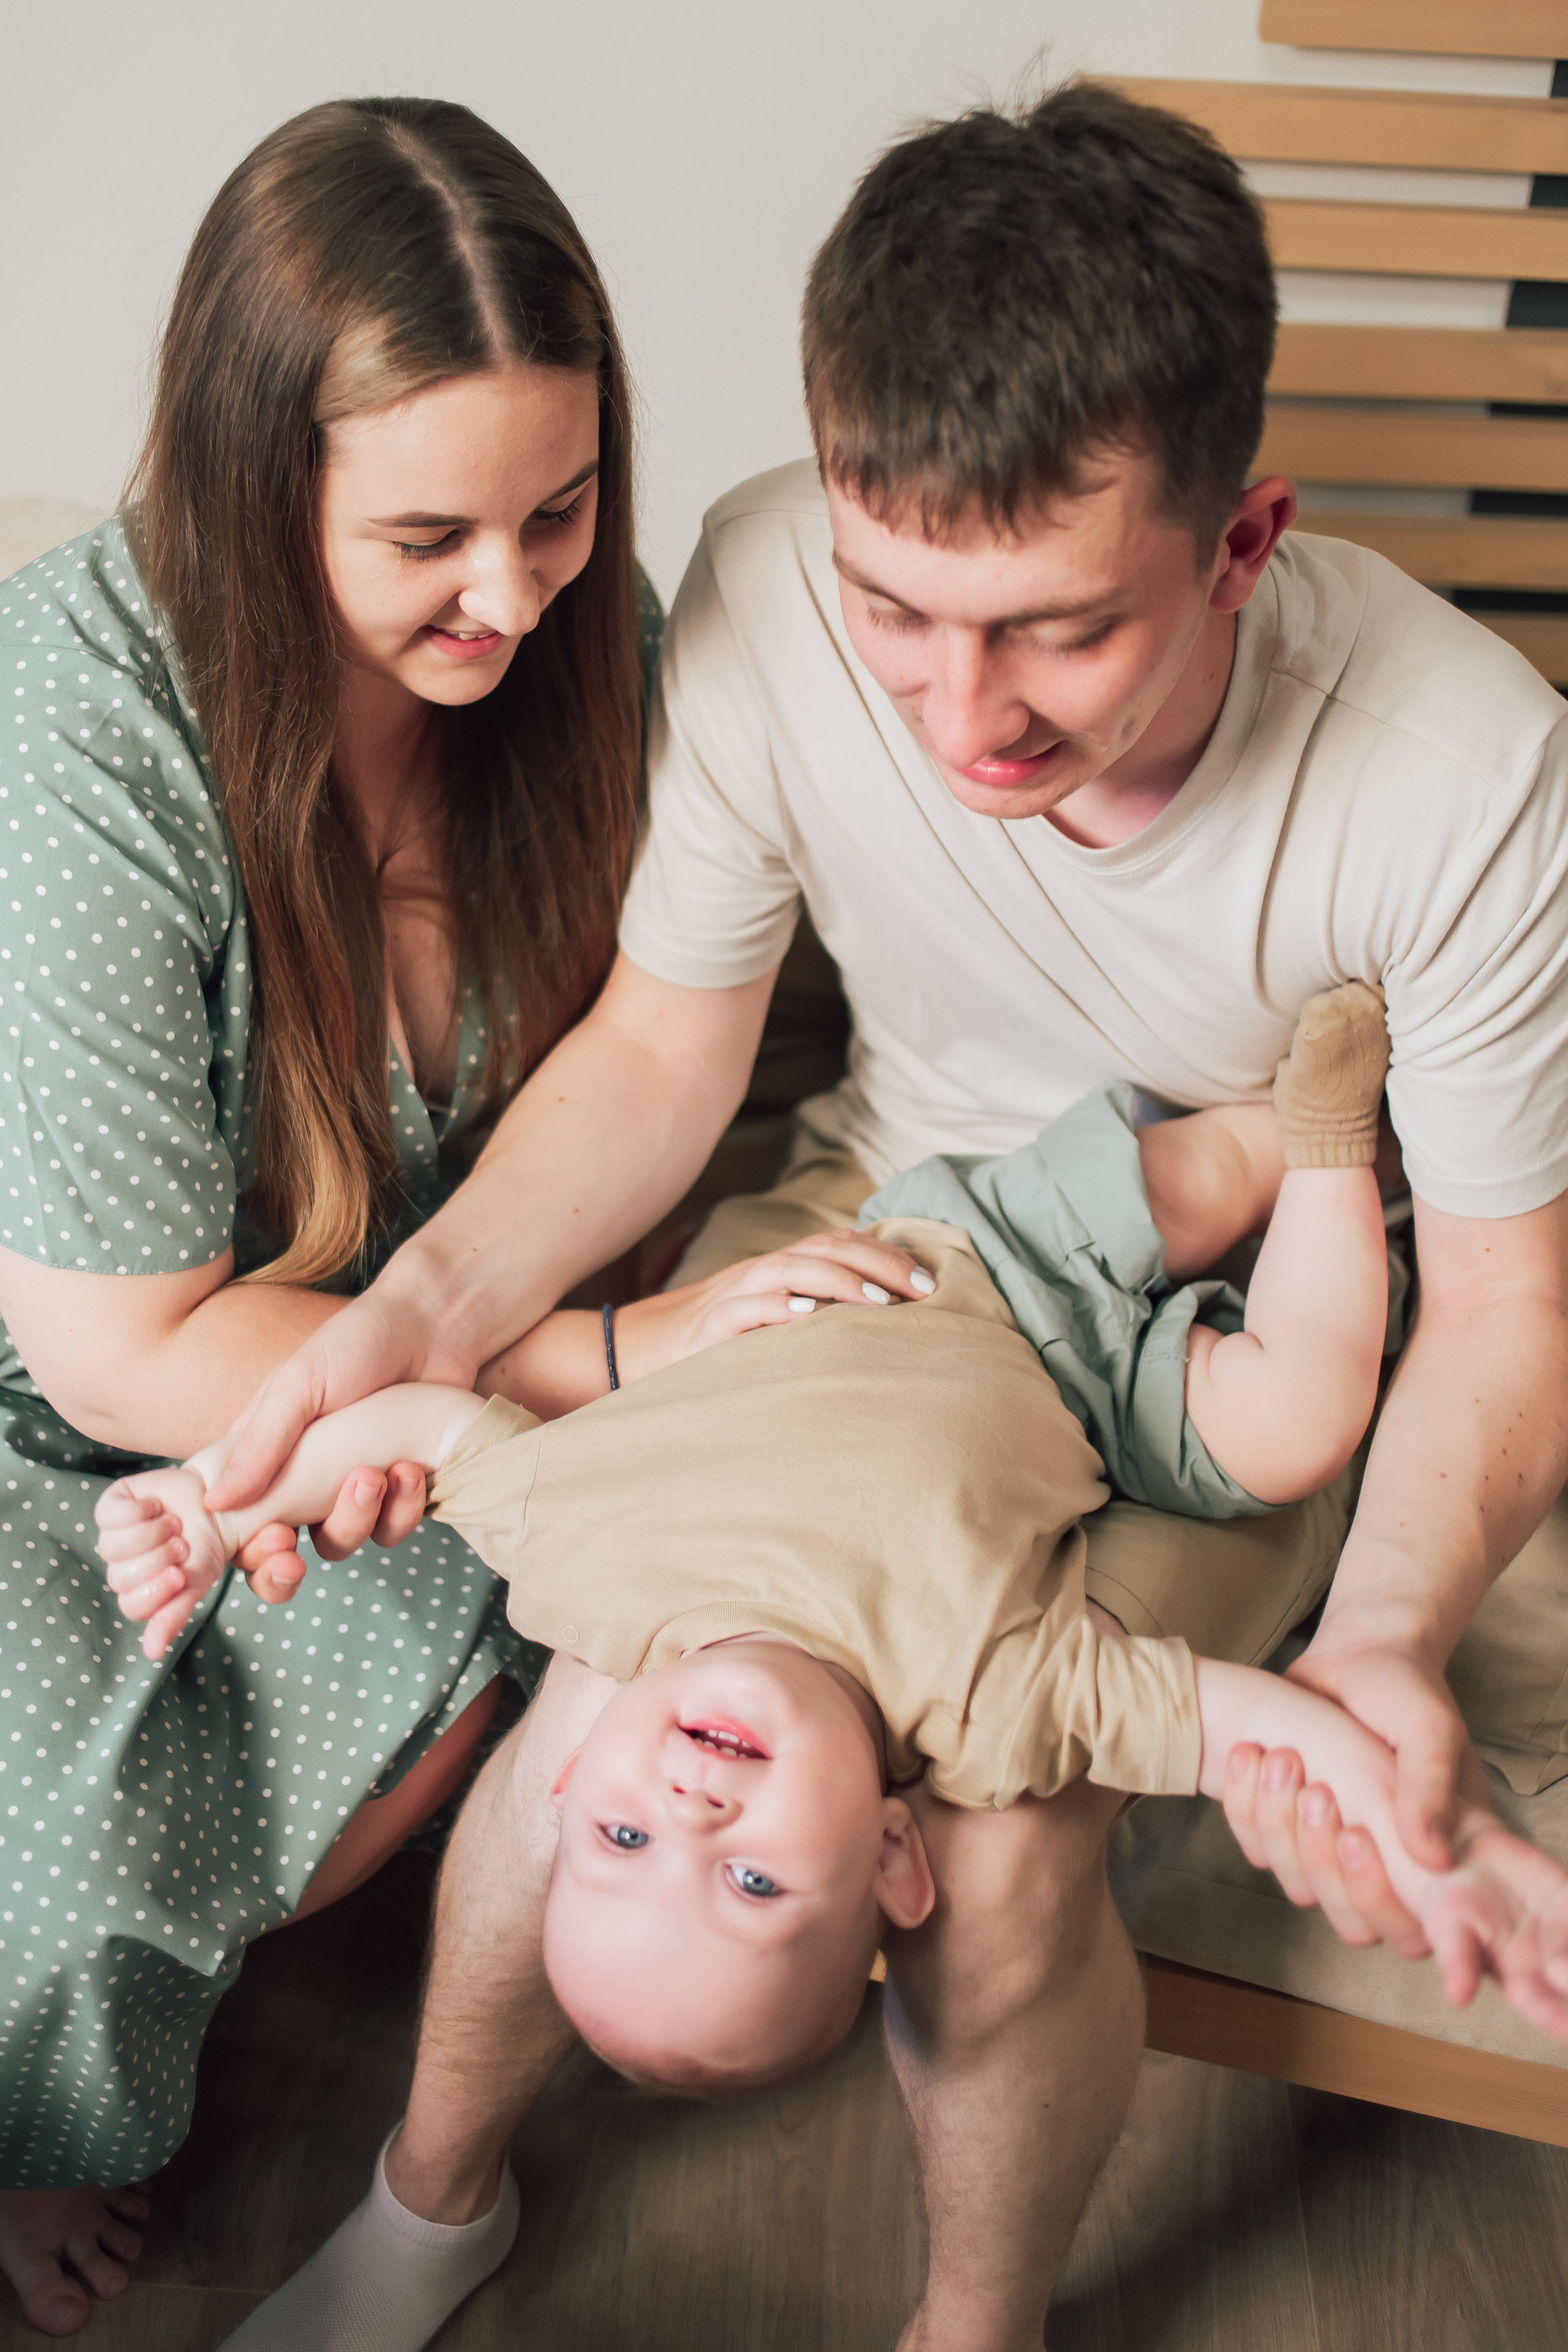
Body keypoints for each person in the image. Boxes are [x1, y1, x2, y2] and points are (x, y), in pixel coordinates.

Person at [195, 79, 1568, 2352]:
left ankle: (972, 2326)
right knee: (591, 1724)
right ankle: (430, 2210)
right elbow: (662, 1051)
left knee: (1009, 1840)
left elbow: (1512, 1302)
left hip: (1192, 1342)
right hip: (877, 1224)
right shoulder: (753, 577)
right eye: (896, 611)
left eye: (1052, 632)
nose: (960, 712)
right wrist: (421, 1313)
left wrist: (1383, 1642)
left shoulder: (1464, 776)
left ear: (1244, 543)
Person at [0, 91, 851, 2342]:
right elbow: (112, 1350)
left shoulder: (600, 657)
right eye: (430, 542)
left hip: (416, 1383)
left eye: (561, 513)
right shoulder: (78, 722)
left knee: (459, 1634)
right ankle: (45, 2117)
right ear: (251, 490)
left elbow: (664, 1048)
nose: (513, 594)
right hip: (104, 1387)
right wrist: (591, 1366)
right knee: (48, 1837)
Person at [94, 993, 1568, 2128]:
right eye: (747, 1884)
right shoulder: (993, 1716)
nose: (689, 1809)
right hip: (1098, 1393)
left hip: (960, 1246)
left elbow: (407, 1419)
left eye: (620, 1842)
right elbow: (1257, 1725)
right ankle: (1337, 1151)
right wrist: (1438, 1852)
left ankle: (1262, 1123)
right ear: (888, 1857)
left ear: (573, 1773)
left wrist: (223, 1516)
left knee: (1190, 1166)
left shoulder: (579, 1570)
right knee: (1298, 1419)